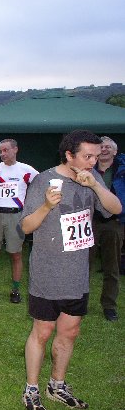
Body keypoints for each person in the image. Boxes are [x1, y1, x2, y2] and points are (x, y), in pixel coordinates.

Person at [19, 130, 121, 410]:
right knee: (43, 331)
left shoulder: (93, 177)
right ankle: (31, 389)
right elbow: (25, 226)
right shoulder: (44, 180)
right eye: (87, 156)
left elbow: (115, 208)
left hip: (77, 272)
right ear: (68, 155)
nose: (93, 161)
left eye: (96, 156)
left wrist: (96, 186)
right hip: (48, 271)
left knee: (70, 331)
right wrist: (47, 205)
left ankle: (57, 385)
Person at [0, 139, 38, 303]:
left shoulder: (26, 169)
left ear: (15, 150)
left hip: (15, 216)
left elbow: (40, 184)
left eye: (5, 150)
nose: (2, 154)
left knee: (15, 254)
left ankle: (15, 291)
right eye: (0, 151)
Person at [90, 136, 124, 321]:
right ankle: (79, 302)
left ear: (115, 151)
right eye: (101, 147)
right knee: (83, 264)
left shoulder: (122, 171)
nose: (104, 149)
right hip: (90, 221)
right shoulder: (88, 169)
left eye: (108, 147)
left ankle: (109, 306)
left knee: (112, 266)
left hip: (114, 222)